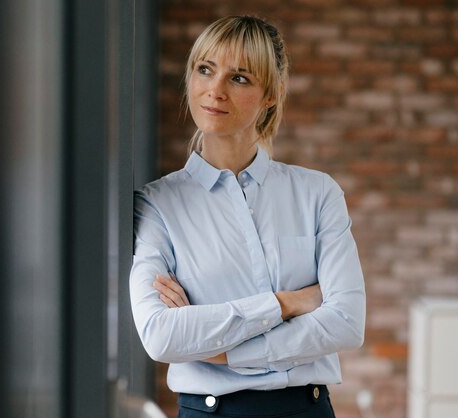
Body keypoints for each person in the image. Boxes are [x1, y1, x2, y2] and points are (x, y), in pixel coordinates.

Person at [130, 15, 366, 418]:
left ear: (270, 94)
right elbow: (160, 336)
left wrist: (224, 352)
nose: (215, 90)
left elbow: (346, 322)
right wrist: (287, 303)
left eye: (239, 78)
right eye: (205, 70)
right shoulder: (157, 204)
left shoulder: (317, 192)